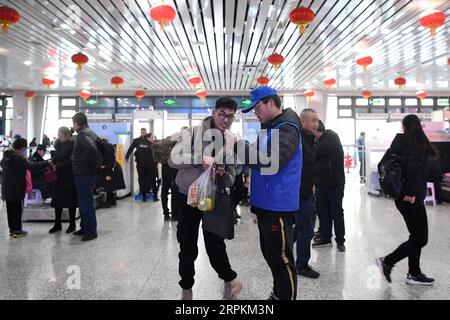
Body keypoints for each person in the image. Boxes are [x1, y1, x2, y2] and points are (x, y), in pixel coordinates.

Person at [169, 97, 242, 300]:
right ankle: (186, 288)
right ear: (213, 112)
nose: (226, 120)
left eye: (230, 117)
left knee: (215, 245)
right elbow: (173, 159)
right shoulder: (192, 133)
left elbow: (231, 177)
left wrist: (222, 174)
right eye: (222, 114)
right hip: (188, 197)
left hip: (214, 199)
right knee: (187, 245)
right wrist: (198, 160)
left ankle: (230, 281)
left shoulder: (230, 139)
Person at [236, 86, 302, 300]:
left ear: (271, 102)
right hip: (266, 203)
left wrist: (238, 146)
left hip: (278, 205)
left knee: (282, 259)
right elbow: (257, 155)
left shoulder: (287, 128)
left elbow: (271, 162)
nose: (255, 113)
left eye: (257, 107)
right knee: (272, 256)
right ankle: (278, 293)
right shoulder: (269, 127)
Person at [376, 115, 437, 286]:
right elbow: (413, 169)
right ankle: (387, 261)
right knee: (420, 238)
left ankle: (414, 273)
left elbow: (383, 165)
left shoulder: (398, 143)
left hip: (401, 195)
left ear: (404, 126)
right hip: (410, 197)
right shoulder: (415, 144)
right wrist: (411, 193)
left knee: (416, 235)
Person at [1, 138, 51, 238]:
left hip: (6, 187)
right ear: (23, 148)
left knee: (10, 209)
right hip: (16, 188)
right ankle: (18, 231)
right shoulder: (19, 158)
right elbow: (34, 166)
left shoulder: (6, 156)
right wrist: (47, 162)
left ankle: (12, 230)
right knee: (17, 210)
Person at [312, 120, 346, 252]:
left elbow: (315, 153)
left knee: (336, 212)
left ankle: (340, 240)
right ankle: (326, 238)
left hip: (334, 184)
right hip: (321, 183)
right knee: (323, 212)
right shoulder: (318, 141)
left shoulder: (331, 136)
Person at [294, 109, 320, 279]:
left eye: (317, 120)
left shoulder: (310, 140)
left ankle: (286, 253)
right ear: (303, 122)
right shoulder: (299, 140)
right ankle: (301, 265)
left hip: (308, 191)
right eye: (313, 120)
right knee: (307, 230)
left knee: (302, 227)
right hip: (301, 192)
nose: (316, 124)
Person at [72, 112, 101, 242]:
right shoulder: (90, 132)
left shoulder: (82, 134)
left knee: (86, 203)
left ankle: (91, 231)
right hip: (86, 173)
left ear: (77, 124)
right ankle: (84, 227)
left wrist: (87, 164)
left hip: (84, 173)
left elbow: (92, 149)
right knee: (83, 202)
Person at [49, 127, 78, 234]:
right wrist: (52, 161)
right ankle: (57, 224)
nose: (59, 137)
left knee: (71, 202)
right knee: (57, 202)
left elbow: (71, 162)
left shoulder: (73, 146)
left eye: (60, 135)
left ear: (66, 135)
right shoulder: (60, 145)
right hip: (59, 178)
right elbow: (57, 156)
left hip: (69, 177)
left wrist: (58, 166)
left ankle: (72, 224)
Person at [153, 134, 180, 221]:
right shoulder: (176, 143)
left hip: (164, 167)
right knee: (174, 192)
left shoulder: (162, 143)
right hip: (173, 169)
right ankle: (174, 215)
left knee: (164, 191)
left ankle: (166, 214)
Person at [126, 128, 154, 201]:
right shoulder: (136, 140)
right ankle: (142, 191)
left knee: (148, 178)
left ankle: (148, 191)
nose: (143, 134)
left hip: (149, 163)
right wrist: (127, 156)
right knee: (141, 178)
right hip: (140, 162)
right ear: (140, 133)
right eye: (142, 132)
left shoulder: (149, 141)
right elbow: (131, 148)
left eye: (145, 132)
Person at [97, 139, 126, 208]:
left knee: (109, 186)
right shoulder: (107, 147)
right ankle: (112, 200)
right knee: (110, 186)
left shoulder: (104, 148)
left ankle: (109, 202)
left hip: (111, 170)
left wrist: (109, 174)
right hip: (112, 168)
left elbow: (111, 163)